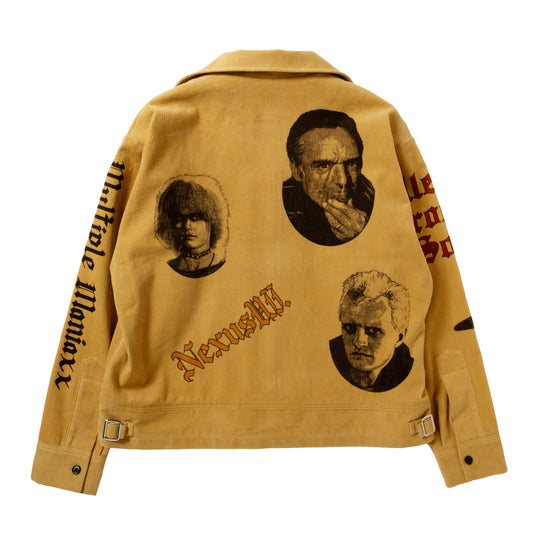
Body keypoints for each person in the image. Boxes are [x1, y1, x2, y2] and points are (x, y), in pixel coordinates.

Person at [283, 109, 375, 246]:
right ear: (297, 170)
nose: (343, 180)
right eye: (323, 166)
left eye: (352, 164)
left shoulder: (370, 195)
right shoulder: (280, 214)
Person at [329, 270, 413, 392]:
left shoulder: (409, 373)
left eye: (373, 331)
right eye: (349, 328)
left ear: (399, 337)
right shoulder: (324, 358)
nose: (358, 342)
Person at [155, 175, 229, 278]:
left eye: (195, 218)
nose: (187, 226)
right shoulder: (166, 269)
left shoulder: (224, 266)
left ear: (211, 221)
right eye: (180, 219)